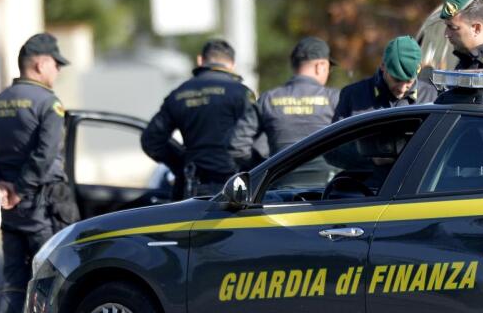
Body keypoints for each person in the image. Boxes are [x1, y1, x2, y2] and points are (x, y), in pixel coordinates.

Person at [0, 32, 79, 313]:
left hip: (11, 210)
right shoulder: (49, 104)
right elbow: (45, 154)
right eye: (56, 64)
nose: (58, 71)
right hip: (45, 204)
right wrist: (21, 187)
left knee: (14, 282)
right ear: (39, 63)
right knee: (55, 279)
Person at [141, 39, 256, 197]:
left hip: (194, 187)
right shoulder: (241, 93)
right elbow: (257, 141)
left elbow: (151, 140)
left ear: (200, 60)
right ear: (232, 65)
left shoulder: (178, 94)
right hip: (235, 186)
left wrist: (181, 163)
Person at [230, 37, 339, 167]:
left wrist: (265, 169)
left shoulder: (268, 100)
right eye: (328, 68)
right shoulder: (334, 98)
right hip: (327, 184)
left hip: (281, 184)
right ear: (320, 66)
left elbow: (238, 146)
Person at [333, 35, 437, 122]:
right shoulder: (353, 95)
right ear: (383, 65)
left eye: (409, 81)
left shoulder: (432, 97)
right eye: (397, 79)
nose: (402, 88)